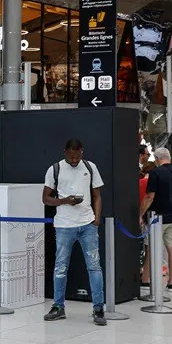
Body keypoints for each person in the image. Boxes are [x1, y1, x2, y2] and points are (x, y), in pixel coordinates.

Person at [42, 138, 107, 325]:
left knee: (94, 266)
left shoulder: (90, 167)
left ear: (82, 152)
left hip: (87, 224)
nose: (74, 160)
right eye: (71, 157)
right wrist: (64, 200)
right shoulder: (55, 169)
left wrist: (96, 218)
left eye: (77, 157)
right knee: (61, 267)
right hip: (64, 225)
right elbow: (45, 198)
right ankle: (58, 306)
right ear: (65, 152)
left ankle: (98, 308)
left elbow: (97, 195)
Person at [140, 148, 172, 291]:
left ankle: (145, 280)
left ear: (157, 158)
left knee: (150, 249)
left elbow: (150, 196)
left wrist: (140, 214)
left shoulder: (156, 172)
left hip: (157, 218)